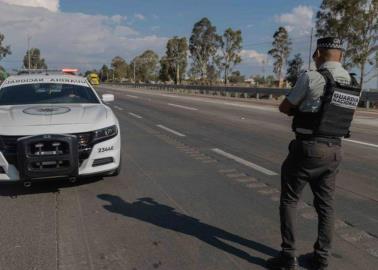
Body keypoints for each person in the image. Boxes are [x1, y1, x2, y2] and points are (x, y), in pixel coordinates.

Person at [266, 37, 361, 270]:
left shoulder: (312, 77)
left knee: (289, 200)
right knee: (326, 206)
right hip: (335, 150)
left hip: (308, 149)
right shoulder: (352, 82)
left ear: (317, 53)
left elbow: (285, 107)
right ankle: (321, 259)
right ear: (341, 56)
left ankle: (288, 257)